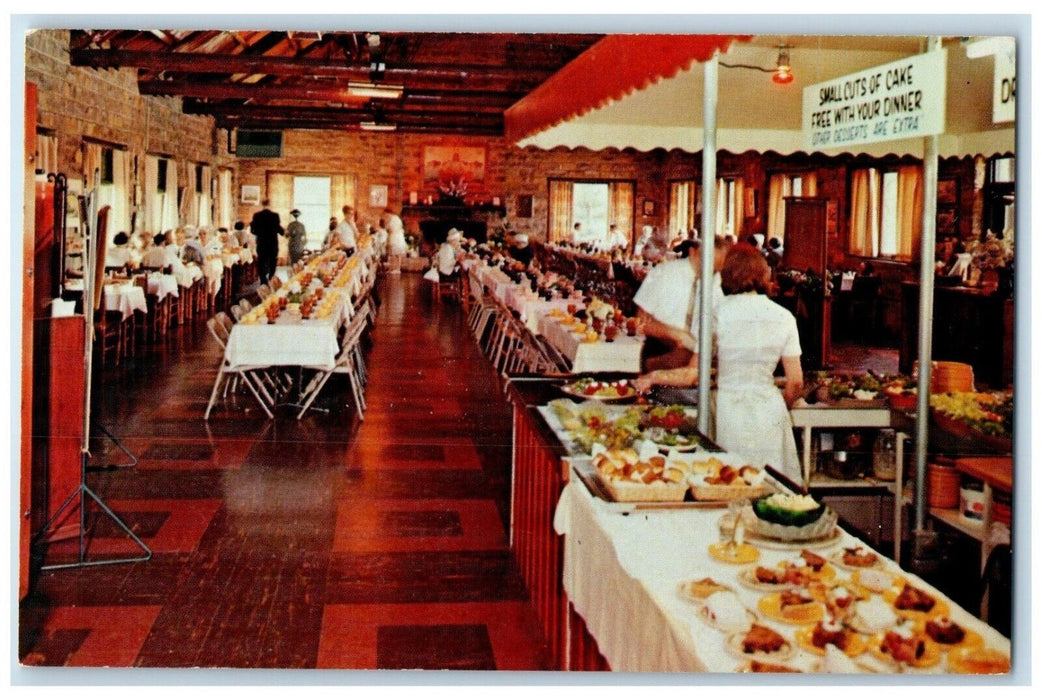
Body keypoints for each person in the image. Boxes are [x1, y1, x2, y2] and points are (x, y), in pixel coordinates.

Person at [635, 243, 804, 480]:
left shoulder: (715, 314)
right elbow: (795, 383)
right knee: (774, 488)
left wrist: (653, 376)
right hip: (770, 411)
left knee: (729, 483)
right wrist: (778, 405)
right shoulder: (784, 317)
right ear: (763, 274)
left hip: (730, 412)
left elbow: (692, 374)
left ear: (726, 275)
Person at [633, 235, 730, 372]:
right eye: (707, 263)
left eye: (715, 268)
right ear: (693, 252)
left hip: (696, 355)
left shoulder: (715, 281)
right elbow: (640, 320)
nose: (710, 272)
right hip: (661, 348)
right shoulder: (663, 273)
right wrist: (675, 334)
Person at [250, 198, 283, 283]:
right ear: (270, 205)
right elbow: (278, 228)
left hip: (261, 243)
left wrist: (260, 233)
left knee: (261, 261)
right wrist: (283, 232)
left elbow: (253, 230)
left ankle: (263, 280)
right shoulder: (275, 216)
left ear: (262, 205)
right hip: (272, 243)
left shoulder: (257, 215)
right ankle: (271, 277)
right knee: (273, 260)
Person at [385, 208, 407, 274]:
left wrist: (387, 228)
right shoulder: (396, 218)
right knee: (395, 253)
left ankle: (396, 268)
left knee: (395, 253)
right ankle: (395, 268)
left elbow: (389, 228)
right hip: (397, 236)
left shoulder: (392, 219)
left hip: (395, 237)